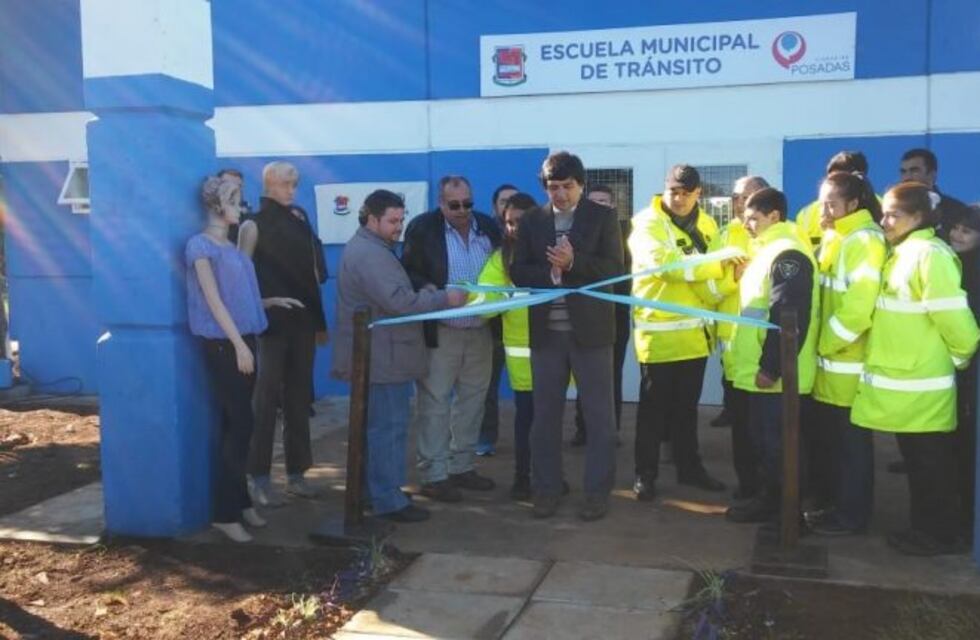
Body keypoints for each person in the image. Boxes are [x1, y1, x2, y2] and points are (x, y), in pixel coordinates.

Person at [851, 183, 979, 556]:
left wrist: (960, 359)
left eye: (894, 215)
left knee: (932, 467)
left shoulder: (927, 255)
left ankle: (940, 535)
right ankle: (924, 529)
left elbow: (957, 323)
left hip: (925, 388)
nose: (885, 221)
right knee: (920, 465)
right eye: (884, 213)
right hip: (911, 388)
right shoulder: (905, 251)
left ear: (920, 217)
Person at [332, 190, 467, 523]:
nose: (399, 227)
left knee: (378, 428)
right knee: (388, 429)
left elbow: (397, 297)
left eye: (401, 219)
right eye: (392, 221)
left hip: (380, 355)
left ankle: (374, 491)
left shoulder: (371, 248)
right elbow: (399, 303)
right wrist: (443, 299)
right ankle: (388, 500)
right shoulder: (371, 254)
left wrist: (424, 294)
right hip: (382, 358)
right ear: (371, 219)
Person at [511, 151, 624, 521]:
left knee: (599, 418)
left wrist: (574, 264)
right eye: (552, 187)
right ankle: (546, 489)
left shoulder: (604, 217)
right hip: (547, 335)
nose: (559, 194)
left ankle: (597, 493)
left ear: (581, 185)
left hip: (591, 334)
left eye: (566, 186)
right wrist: (553, 274)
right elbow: (519, 271)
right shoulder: (531, 221)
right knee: (544, 418)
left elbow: (614, 270)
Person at [185, 175, 281, 542]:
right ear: (215, 204)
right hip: (225, 346)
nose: (241, 206)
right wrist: (238, 344)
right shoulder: (200, 247)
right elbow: (213, 300)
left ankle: (239, 503)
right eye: (234, 199)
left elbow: (238, 296)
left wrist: (265, 305)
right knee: (241, 423)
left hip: (244, 340)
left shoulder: (231, 249)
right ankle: (225, 511)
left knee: (237, 424)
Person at [629, 165, 727, 502]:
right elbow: (666, 266)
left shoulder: (709, 224)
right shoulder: (646, 224)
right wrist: (714, 266)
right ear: (664, 190)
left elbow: (716, 273)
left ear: (699, 193)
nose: (680, 198)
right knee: (653, 413)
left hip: (696, 337)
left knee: (687, 411)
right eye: (674, 191)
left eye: (687, 192)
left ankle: (690, 469)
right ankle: (646, 474)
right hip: (659, 337)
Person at [402, 175, 501, 502]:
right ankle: (434, 473)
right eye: (454, 205)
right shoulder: (422, 228)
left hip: (480, 331)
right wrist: (429, 288)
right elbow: (409, 271)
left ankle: (462, 466)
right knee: (435, 402)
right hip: (442, 332)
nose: (462, 210)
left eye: (468, 204)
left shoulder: (488, 227)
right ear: (441, 203)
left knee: (474, 401)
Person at [725, 188, 819, 525]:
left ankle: (789, 515)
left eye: (753, 217)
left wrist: (772, 367)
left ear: (774, 216)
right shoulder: (766, 253)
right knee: (765, 444)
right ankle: (770, 502)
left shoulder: (786, 254)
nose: (746, 224)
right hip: (760, 373)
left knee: (780, 446)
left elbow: (787, 314)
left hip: (777, 376)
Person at [239, 161, 328, 506]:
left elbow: (314, 273)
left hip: (302, 324)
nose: (291, 189)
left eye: (295, 183)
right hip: (270, 327)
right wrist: (265, 302)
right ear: (269, 184)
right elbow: (239, 280)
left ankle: (297, 473)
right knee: (264, 402)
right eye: (286, 183)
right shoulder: (253, 224)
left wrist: (317, 323)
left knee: (298, 399)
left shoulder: (300, 219)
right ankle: (258, 476)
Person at [806, 172, 886, 536]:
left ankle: (852, 517)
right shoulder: (837, 237)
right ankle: (833, 506)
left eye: (831, 204)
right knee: (834, 447)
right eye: (822, 201)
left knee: (852, 450)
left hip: (848, 367)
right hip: (830, 369)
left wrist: (823, 344)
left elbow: (857, 310)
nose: (823, 210)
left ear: (853, 204)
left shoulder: (864, 241)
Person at [472, 192, 538, 500]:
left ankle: (549, 476)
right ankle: (523, 479)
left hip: (556, 353)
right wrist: (499, 297)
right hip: (522, 359)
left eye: (521, 222)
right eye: (509, 223)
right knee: (526, 422)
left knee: (549, 423)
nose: (514, 228)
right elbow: (483, 302)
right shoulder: (501, 258)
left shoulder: (555, 251)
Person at [713, 175, 769, 502]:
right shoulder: (724, 235)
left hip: (765, 347)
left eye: (746, 196)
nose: (739, 202)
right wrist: (731, 280)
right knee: (741, 426)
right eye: (735, 196)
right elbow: (711, 286)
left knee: (765, 426)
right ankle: (747, 486)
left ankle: (767, 489)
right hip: (733, 346)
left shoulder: (777, 234)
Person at [570, 184, 631, 448]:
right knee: (584, 374)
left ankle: (610, 429)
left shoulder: (628, 236)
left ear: (613, 206)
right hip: (583, 311)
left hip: (616, 313)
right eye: (593, 202)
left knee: (611, 374)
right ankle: (583, 428)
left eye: (603, 202)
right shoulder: (576, 234)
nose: (598, 207)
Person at [477, 183, 519, 457]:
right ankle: (485, 439)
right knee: (487, 385)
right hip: (491, 326)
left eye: (512, 201)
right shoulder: (483, 234)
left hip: (520, 326)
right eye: (503, 201)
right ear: (495, 206)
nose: (507, 205)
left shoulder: (532, 235)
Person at [946, 204, 980, 538]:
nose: (957, 234)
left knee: (966, 449)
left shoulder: (973, 273)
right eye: (956, 227)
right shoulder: (957, 265)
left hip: (969, 374)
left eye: (967, 231)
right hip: (960, 373)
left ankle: (964, 521)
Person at [795, 151, 871, 251]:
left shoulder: (881, 208)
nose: (824, 212)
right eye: (830, 179)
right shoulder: (806, 214)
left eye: (840, 181)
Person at [898, 148, 969, 239]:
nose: (907, 177)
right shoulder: (893, 210)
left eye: (914, 170)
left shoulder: (957, 210)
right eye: (903, 172)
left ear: (932, 174)